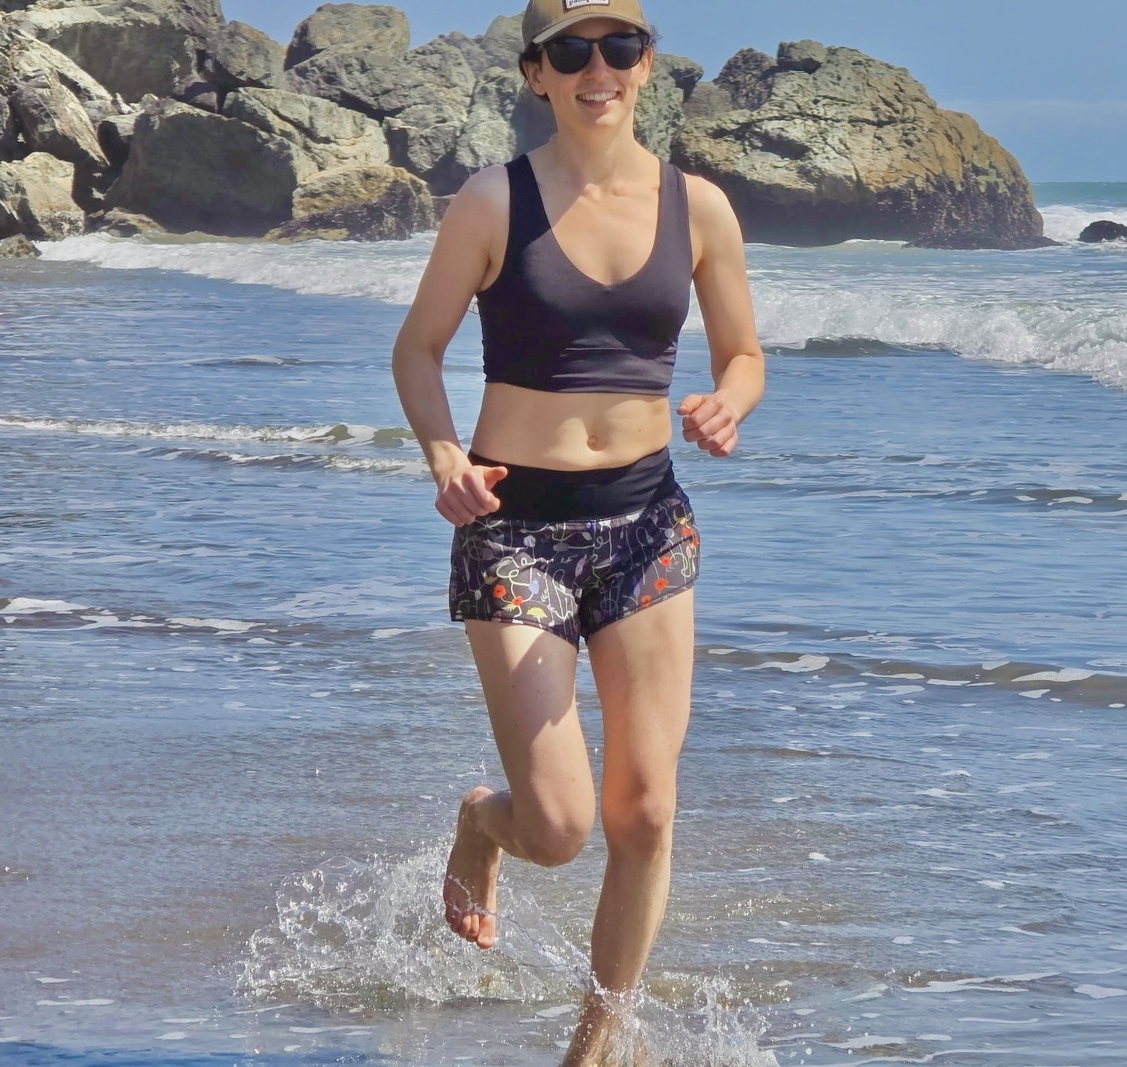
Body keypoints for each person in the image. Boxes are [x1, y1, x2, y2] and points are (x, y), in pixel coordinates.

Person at [390, 0, 764, 1060]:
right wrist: (443, 455)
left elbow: (743, 354)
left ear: (646, 64)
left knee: (644, 811)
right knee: (557, 826)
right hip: (516, 532)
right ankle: (484, 820)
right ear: (537, 73)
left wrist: (730, 401)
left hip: (647, 524)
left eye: (620, 45)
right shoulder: (492, 201)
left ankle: (598, 1039)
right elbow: (417, 349)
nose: (598, 67)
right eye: (572, 51)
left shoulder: (699, 208)